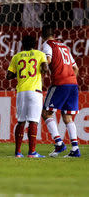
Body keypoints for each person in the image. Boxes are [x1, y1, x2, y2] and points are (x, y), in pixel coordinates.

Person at [41, 25, 80, 157]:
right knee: (67, 116)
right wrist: (70, 79)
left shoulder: (47, 44)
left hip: (60, 83)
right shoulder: (64, 46)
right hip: (73, 84)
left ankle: (59, 144)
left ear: (42, 35)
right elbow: (76, 69)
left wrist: (41, 69)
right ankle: (75, 149)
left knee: (46, 113)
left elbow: (48, 59)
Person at [6, 35, 48, 158]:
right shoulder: (40, 54)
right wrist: (41, 70)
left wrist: (19, 73)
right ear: (35, 44)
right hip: (34, 91)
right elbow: (45, 69)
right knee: (33, 122)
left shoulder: (16, 57)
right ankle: (32, 152)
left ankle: (18, 152)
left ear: (22, 44)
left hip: (21, 91)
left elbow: (8, 76)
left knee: (21, 121)